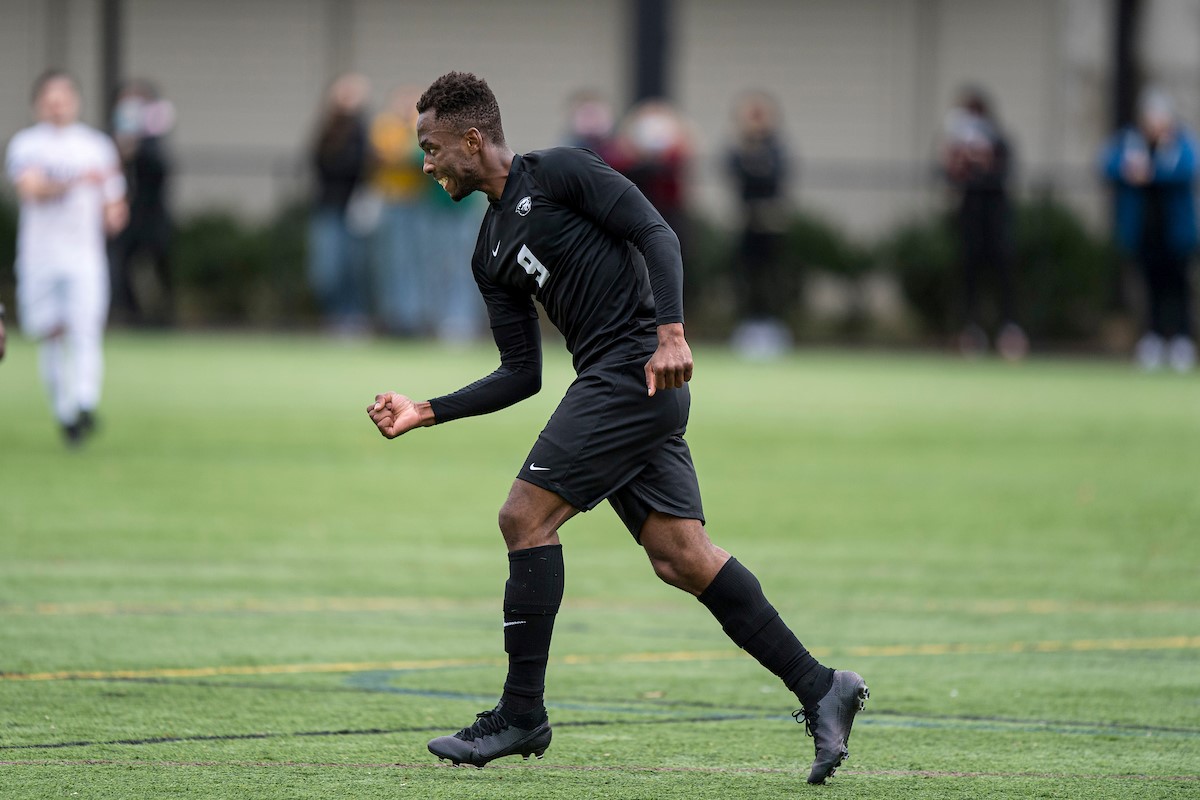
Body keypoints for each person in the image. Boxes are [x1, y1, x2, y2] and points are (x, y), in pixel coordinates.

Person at [366, 72, 867, 785]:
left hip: (636, 368)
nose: (426, 163)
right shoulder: (488, 251)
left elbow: (654, 232)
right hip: (612, 383)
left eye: (432, 147)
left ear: (472, 140)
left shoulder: (562, 171)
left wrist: (670, 331)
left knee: (523, 517)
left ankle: (520, 715)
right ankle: (823, 687)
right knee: (681, 555)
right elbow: (521, 374)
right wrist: (427, 408)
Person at [5, 69, 127, 446]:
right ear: (38, 103)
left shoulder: (96, 146)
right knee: (52, 334)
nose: (57, 104)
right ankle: (65, 412)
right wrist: (76, 182)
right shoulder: (26, 145)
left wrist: (113, 213)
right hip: (40, 256)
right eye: (49, 97)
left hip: (83, 256)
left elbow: (114, 201)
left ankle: (86, 402)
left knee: (85, 329)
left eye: (64, 96)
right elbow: (32, 189)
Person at [1101, 88, 1198, 372]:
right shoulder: (1131, 141)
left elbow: (1189, 167)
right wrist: (1129, 171)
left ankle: (1181, 340)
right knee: (1149, 287)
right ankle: (1153, 338)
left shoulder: (1180, 142)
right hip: (1145, 232)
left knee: (1179, 288)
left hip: (1176, 233)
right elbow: (1106, 163)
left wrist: (1153, 172)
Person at [940, 87, 1027, 360]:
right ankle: (971, 332)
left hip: (997, 219)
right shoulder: (957, 145)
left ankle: (1009, 331)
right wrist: (960, 162)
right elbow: (947, 178)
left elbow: (1006, 173)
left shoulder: (999, 142)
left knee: (1003, 274)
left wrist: (985, 161)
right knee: (969, 277)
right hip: (969, 220)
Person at [726, 90, 793, 359]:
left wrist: (755, 164)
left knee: (772, 278)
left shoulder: (776, 146)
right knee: (746, 277)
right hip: (746, 220)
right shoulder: (738, 146)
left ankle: (772, 327)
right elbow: (734, 171)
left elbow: (774, 176)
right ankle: (749, 327)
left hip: (771, 222)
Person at [308, 73, 372, 335]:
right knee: (327, 269)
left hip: (353, 211)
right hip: (327, 207)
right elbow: (318, 162)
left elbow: (361, 166)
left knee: (353, 267)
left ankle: (353, 317)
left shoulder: (362, 130)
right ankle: (334, 315)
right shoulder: (326, 129)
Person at [108, 78, 175, 327]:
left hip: (152, 216)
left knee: (158, 265)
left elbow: (161, 170)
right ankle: (130, 315)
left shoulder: (154, 140)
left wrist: (138, 149)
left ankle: (164, 317)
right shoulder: (110, 138)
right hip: (123, 216)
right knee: (120, 265)